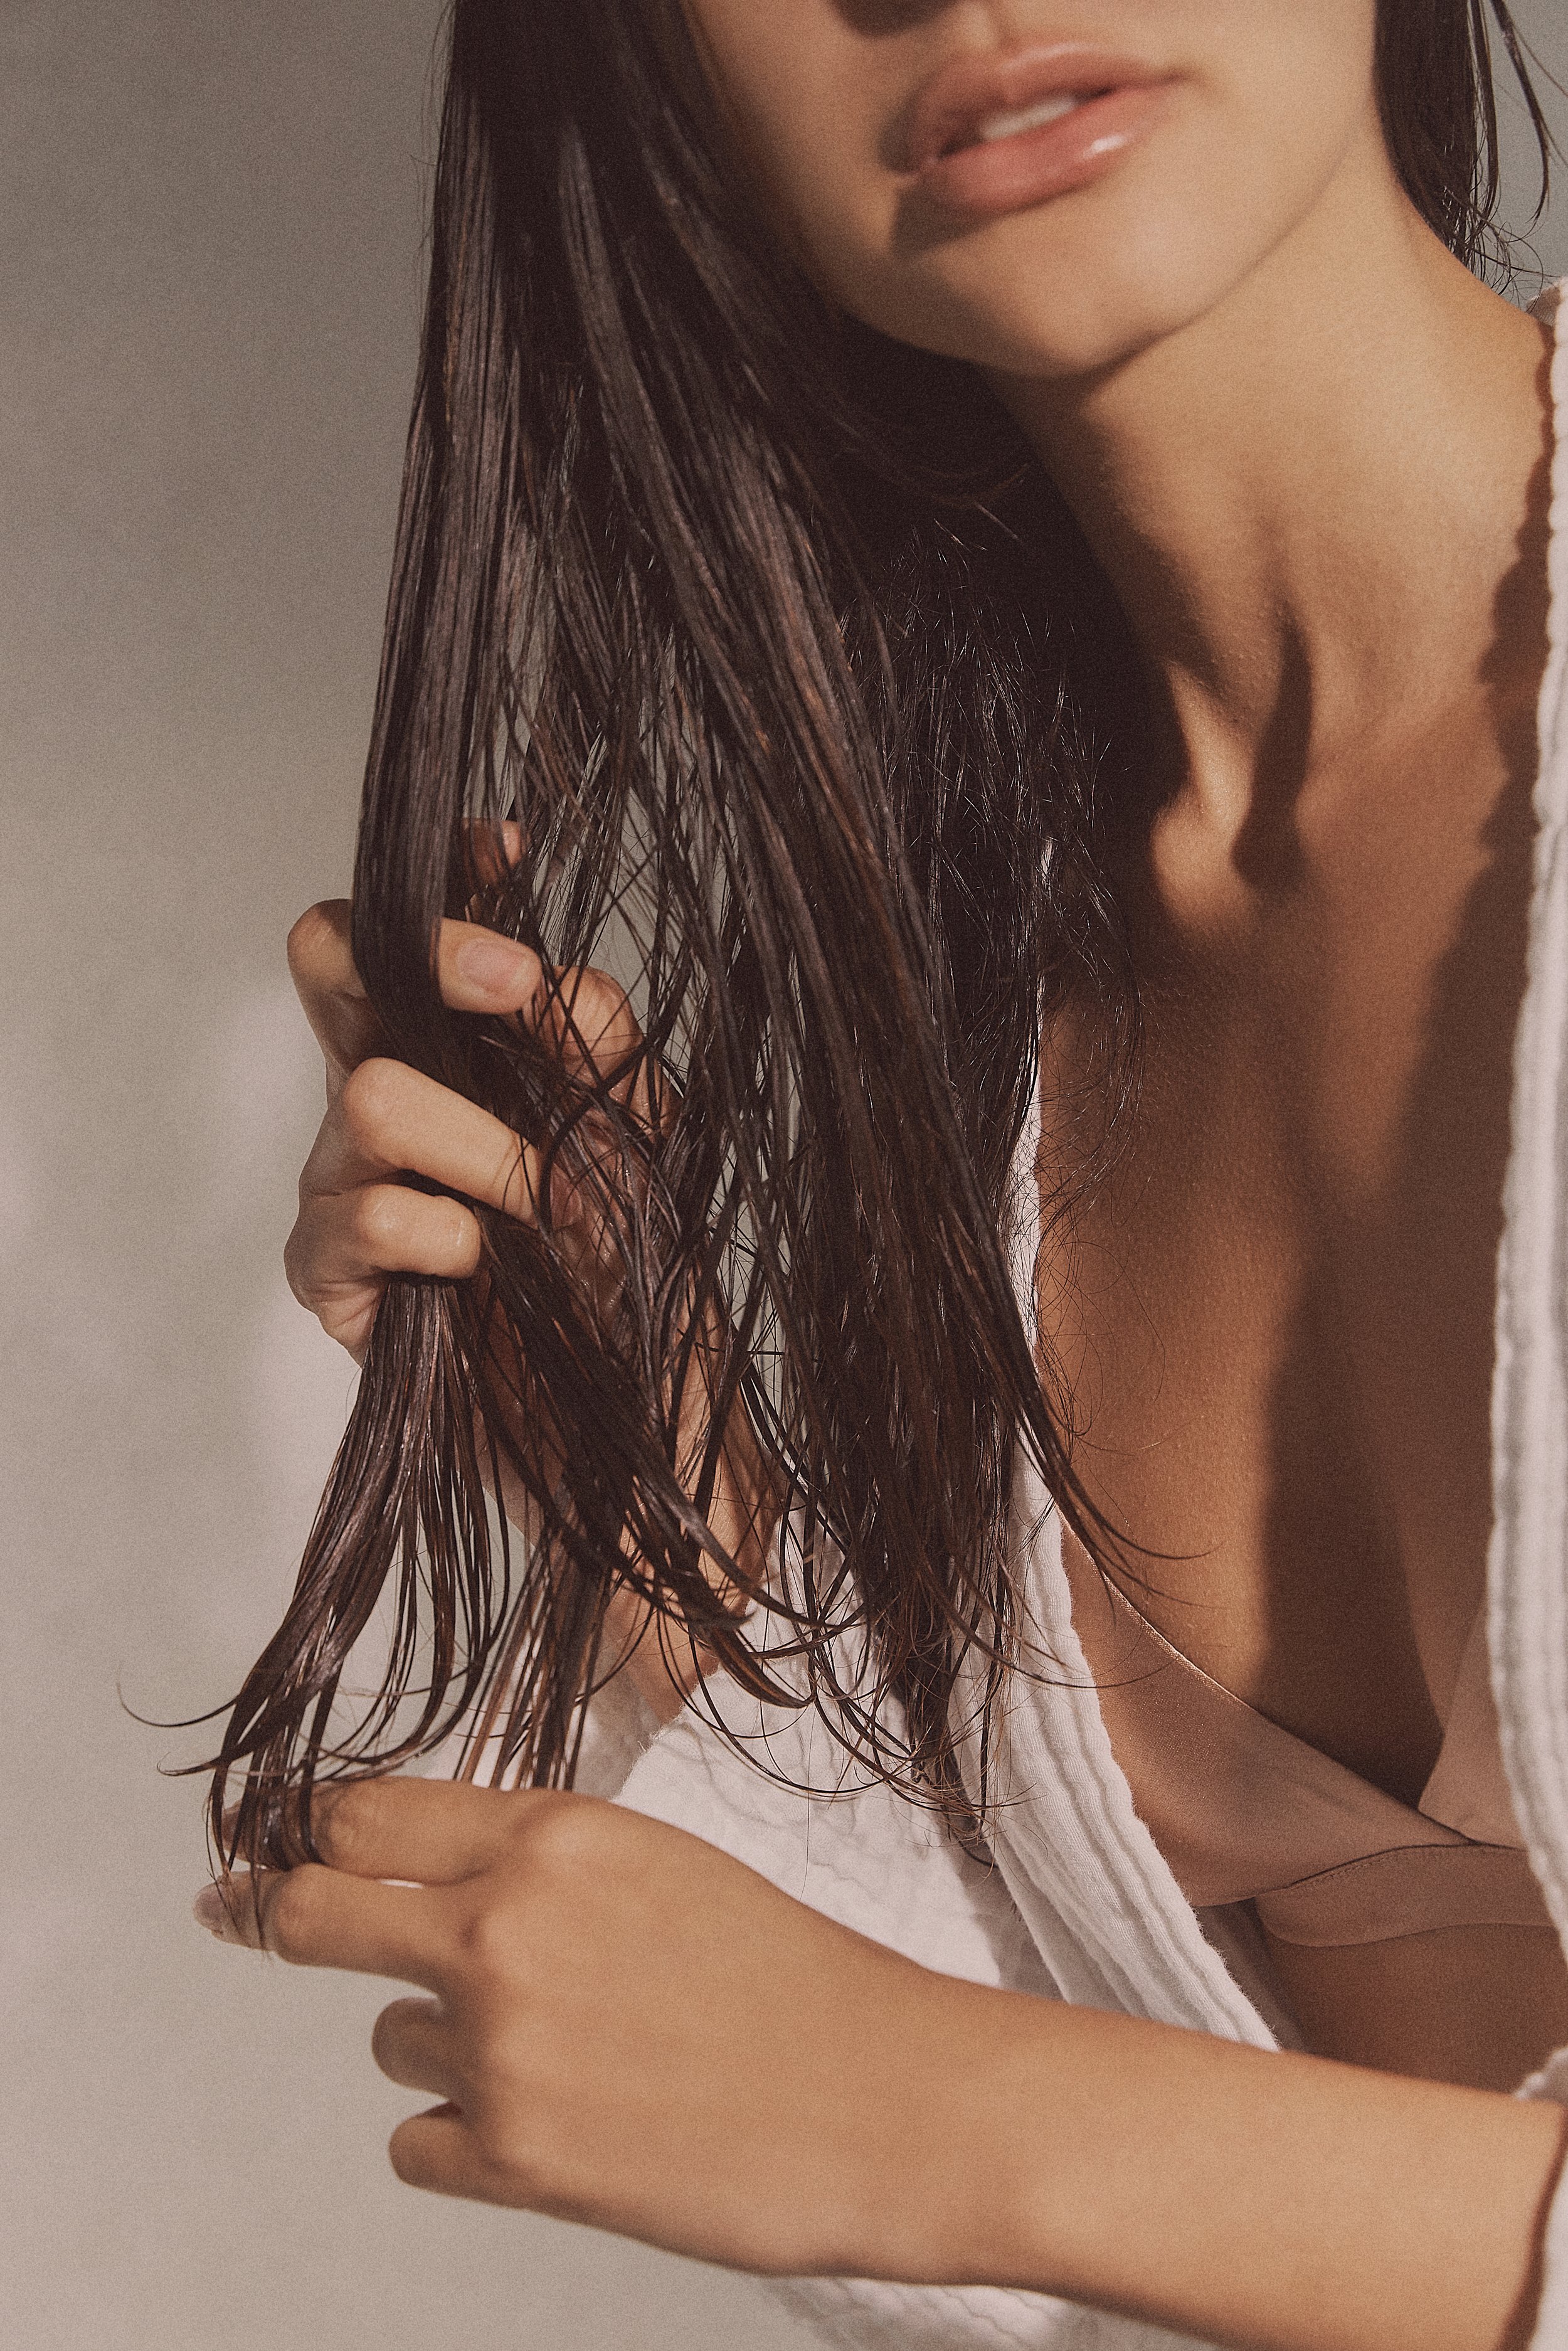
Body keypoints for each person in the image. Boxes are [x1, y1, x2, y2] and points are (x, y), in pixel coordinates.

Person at [193, 3, 1568, 2345]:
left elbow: (989, 2130)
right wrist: (660, 1492)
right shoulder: (972, 976)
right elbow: (1162, 2202)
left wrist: (950, 2113)